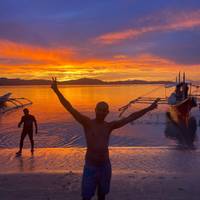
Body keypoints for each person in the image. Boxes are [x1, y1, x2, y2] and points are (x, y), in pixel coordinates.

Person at [51, 77, 159, 200]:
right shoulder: (87, 123)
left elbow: (131, 117)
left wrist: (149, 108)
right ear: (95, 110)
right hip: (90, 166)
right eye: (99, 110)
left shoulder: (109, 126)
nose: (101, 112)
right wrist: (56, 91)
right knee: (86, 197)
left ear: (107, 112)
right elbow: (70, 108)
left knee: (102, 195)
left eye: (104, 110)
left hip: (105, 166)